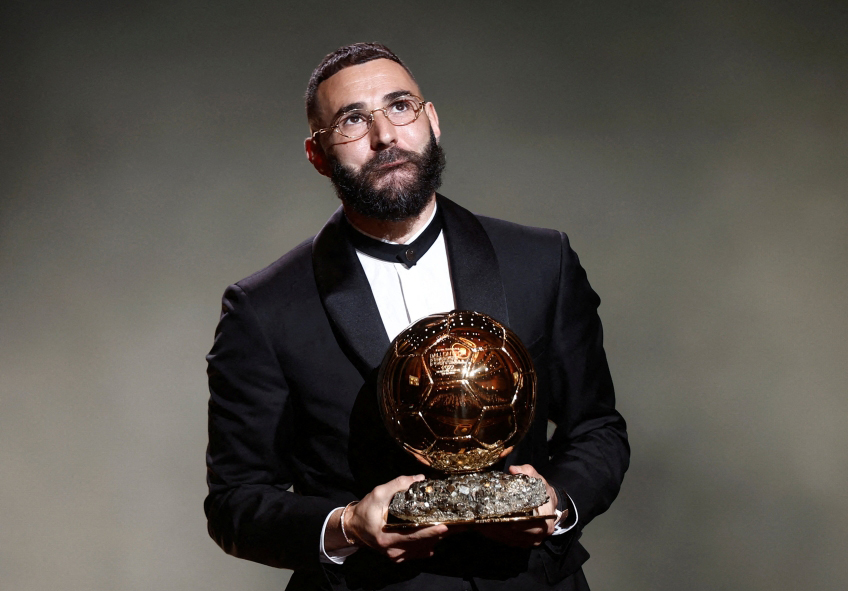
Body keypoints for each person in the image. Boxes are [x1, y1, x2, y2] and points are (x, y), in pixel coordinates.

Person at [205, 42, 629, 591]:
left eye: (400, 107)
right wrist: (345, 525)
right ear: (317, 154)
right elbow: (235, 501)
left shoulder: (541, 261)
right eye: (353, 121)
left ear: (431, 120)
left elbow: (598, 429)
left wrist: (557, 503)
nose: (386, 137)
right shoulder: (263, 309)